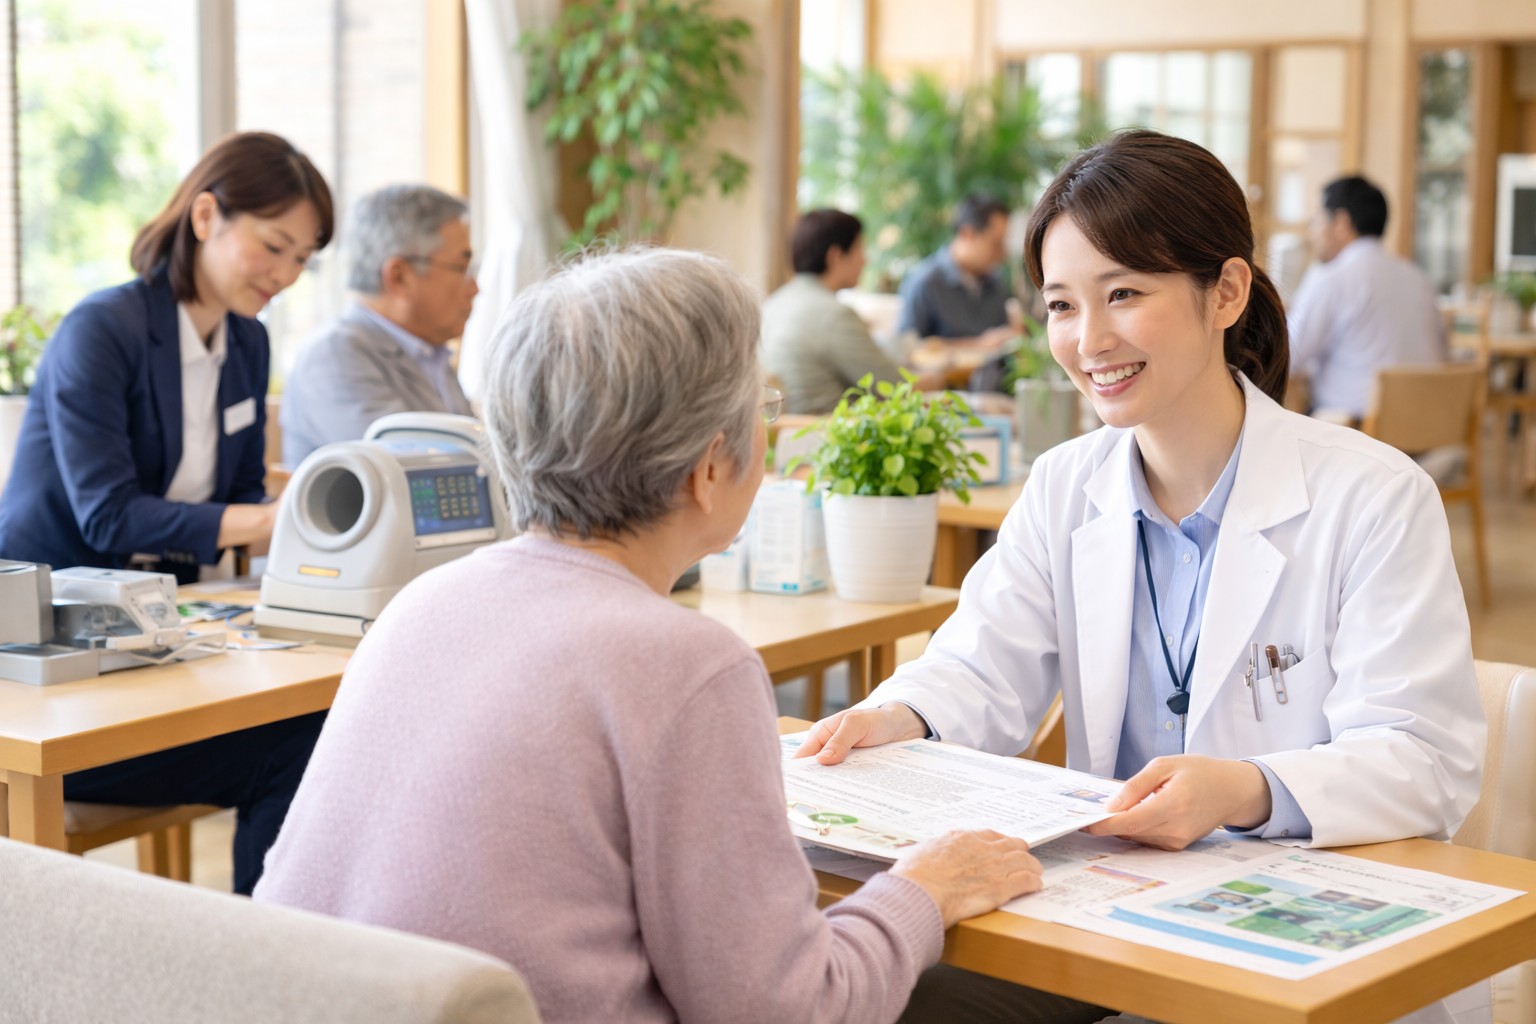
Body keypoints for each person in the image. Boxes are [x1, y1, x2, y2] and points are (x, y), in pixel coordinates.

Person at [254, 249, 1106, 1024]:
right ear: (709, 466)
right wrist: (924, 887)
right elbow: (790, 1012)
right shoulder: (687, 666)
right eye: (761, 407)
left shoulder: (424, 604)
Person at [799, 131, 1481, 1023]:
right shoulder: (1066, 484)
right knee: (890, 998)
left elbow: (1424, 761)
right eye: (1060, 306)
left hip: (1292, 930)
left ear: (1225, 292)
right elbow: (979, 662)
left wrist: (1244, 788)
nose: (1089, 341)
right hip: (1105, 916)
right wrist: (897, 713)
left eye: (1124, 293)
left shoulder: (1374, 497)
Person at [0, 130, 335, 895]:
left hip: (157, 644)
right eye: (274, 246)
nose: (284, 275)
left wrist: (291, 531)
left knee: (329, 721)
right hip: (50, 669)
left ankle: (289, 967)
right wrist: (267, 522)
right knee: (303, 746)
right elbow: (109, 519)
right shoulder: (103, 330)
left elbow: (242, 495)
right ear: (207, 215)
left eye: (302, 259)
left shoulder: (246, 343)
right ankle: (277, 980)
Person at [280, 184, 477, 466]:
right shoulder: (334, 354)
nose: (475, 288)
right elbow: (415, 472)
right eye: (462, 268)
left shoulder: (430, 352)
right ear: (399, 277)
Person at [1287, 176, 1447, 422]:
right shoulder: (1419, 278)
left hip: (1359, 436)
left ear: (1341, 223)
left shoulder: (1331, 277)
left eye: (1317, 219)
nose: (1313, 232)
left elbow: (1285, 355)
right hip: (1427, 431)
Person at [763, 209, 941, 413]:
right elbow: (896, 389)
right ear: (836, 256)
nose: (865, 261)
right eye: (860, 249)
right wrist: (939, 376)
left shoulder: (772, 304)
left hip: (783, 434)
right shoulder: (834, 315)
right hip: (826, 434)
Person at [897, 193, 1016, 352]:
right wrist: (977, 345)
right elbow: (907, 348)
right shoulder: (924, 282)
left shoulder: (995, 280)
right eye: (995, 244)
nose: (1003, 255)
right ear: (967, 234)